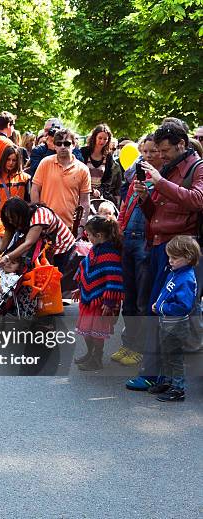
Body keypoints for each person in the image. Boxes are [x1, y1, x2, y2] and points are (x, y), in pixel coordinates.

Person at [126, 121, 203, 391]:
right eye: (158, 150)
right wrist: (145, 198)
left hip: (181, 248)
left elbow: (197, 199)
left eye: (166, 150)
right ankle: (158, 374)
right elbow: (156, 215)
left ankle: (163, 376)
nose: (161, 155)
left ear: (182, 144)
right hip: (161, 246)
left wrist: (159, 182)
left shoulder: (197, 167)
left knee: (170, 313)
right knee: (155, 309)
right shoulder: (170, 168)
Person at [114, 135, 161, 367]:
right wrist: (120, 229)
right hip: (129, 242)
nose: (148, 156)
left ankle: (139, 347)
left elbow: (156, 214)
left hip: (145, 242)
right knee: (128, 299)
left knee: (143, 299)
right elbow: (125, 208)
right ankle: (128, 343)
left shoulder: (161, 181)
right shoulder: (136, 179)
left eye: (153, 151)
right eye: (145, 151)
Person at [149, 236, 200, 402]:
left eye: (174, 258)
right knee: (166, 354)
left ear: (188, 257)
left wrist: (161, 308)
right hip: (166, 322)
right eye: (169, 256)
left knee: (175, 357)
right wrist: (159, 303)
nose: (170, 260)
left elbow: (183, 306)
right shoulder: (176, 273)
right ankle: (167, 381)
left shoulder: (186, 278)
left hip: (176, 325)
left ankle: (178, 389)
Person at [71, 216, 123, 371]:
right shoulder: (95, 250)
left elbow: (114, 280)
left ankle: (97, 358)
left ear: (99, 235)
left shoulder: (111, 254)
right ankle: (90, 353)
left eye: (90, 235)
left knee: (96, 332)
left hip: (100, 303)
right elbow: (87, 269)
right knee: (86, 331)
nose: (89, 238)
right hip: (89, 299)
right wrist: (80, 288)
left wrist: (109, 302)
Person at [0, 198, 76, 275]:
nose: (10, 221)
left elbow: (28, 243)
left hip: (62, 247)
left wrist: (7, 257)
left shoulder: (39, 215)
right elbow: (8, 234)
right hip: (47, 247)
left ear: (21, 214)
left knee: (55, 277)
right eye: (8, 219)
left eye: (12, 218)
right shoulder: (14, 220)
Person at [31, 127, 91, 234]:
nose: (63, 147)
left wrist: (81, 226)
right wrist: (39, 215)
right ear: (54, 146)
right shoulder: (45, 163)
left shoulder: (83, 169)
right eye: (59, 143)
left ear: (73, 145)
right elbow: (35, 189)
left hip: (69, 227)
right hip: (46, 225)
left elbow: (85, 201)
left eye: (67, 143)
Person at [0, 145, 31, 214]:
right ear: (3, 159)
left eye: (14, 160)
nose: (11, 163)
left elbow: (28, 201)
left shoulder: (25, 178)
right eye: (8, 159)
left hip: (18, 219)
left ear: (18, 161)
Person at [80, 123, 117, 200]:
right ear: (94, 137)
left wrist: (100, 191)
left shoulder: (108, 156)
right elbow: (78, 174)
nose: (102, 141)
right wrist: (90, 189)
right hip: (82, 192)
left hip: (98, 196)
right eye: (100, 138)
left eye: (105, 139)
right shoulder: (84, 152)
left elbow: (108, 179)